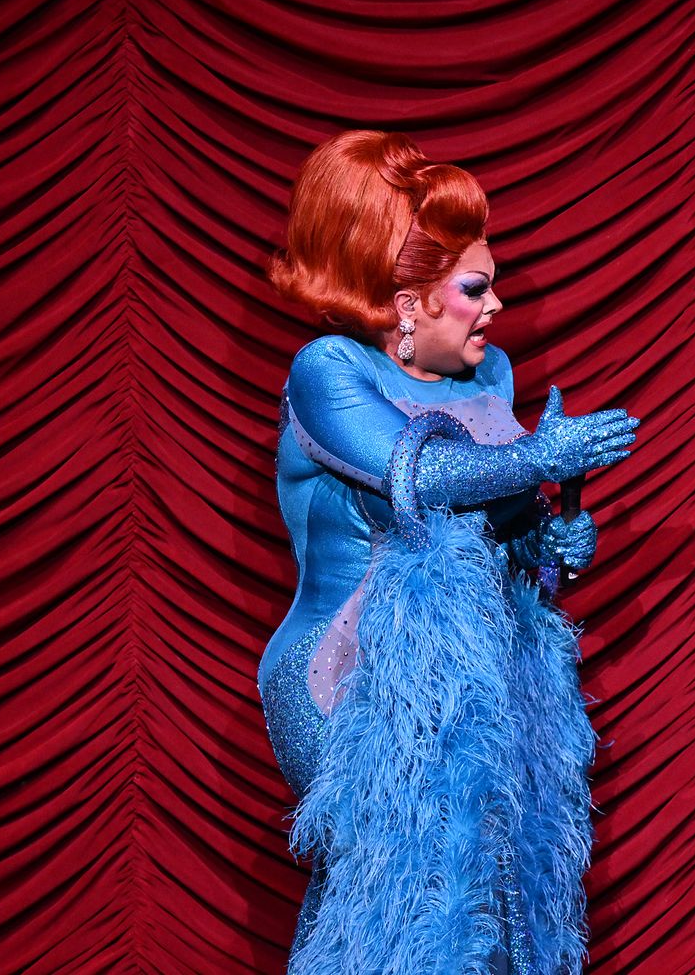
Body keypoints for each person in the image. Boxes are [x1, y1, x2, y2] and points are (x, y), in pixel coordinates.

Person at [258, 130, 639, 974]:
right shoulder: (328, 370)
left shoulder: (490, 375)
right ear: (407, 302)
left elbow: (500, 532)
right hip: (349, 678)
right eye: (476, 288)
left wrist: (554, 537)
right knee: (389, 892)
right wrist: (540, 459)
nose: (495, 306)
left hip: (478, 673)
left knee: (481, 896)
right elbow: (421, 476)